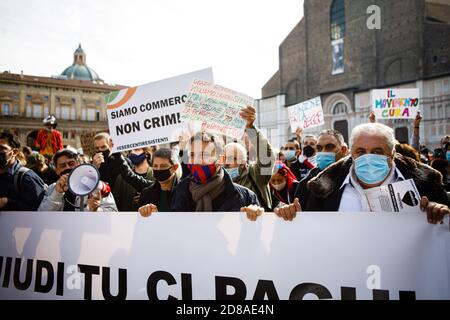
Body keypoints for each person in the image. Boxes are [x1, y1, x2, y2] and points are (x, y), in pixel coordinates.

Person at [274, 123, 450, 224]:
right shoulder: (316, 188)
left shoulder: (427, 185)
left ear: (392, 154)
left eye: (377, 151)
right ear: (351, 153)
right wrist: (291, 216)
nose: (368, 158)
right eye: (360, 151)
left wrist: (442, 213)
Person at [170, 131, 264, 220]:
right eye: (192, 155)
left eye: (204, 155)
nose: (196, 161)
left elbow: (257, 233)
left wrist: (256, 214)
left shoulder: (246, 197)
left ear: (221, 160)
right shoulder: (179, 190)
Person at [223, 106, 276, 212]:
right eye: (224, 159)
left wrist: (250, 128)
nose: (226, 163)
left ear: (243, 161)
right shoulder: (219, 182)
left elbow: (266, 156)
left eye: (232, 158)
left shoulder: (256, 175)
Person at [38, 149, 117, 212]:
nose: (67, 168)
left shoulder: (95, 185)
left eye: (71, 163)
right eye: (62, 166)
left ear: (78, 164)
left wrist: (96, 210)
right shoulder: (52, 189)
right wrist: (57, 193)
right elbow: (41, 215)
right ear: (57, 171)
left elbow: (113, 213)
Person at [294, 129, 348, 210]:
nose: (323, 151)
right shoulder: (306, 183)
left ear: (343, 150)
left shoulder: (352, 179)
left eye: (329, 147)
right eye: (319, 148)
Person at [0, 131, 47, 211]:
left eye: (2, 148)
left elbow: (40, 210)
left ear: (14, 152)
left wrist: (7, 202)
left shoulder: (26, 177)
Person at [138, 148, 182, 217]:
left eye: (163, 166)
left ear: (174, 167)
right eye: (155, 166)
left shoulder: (184, 192)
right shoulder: (146, 194)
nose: (158, 169)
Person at [112, 147, 154, 212]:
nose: (132, 152)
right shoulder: (121, 178)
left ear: (146, 153)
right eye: (130, 150)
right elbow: (115, 205)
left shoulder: (156, 175)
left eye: (136, 150)